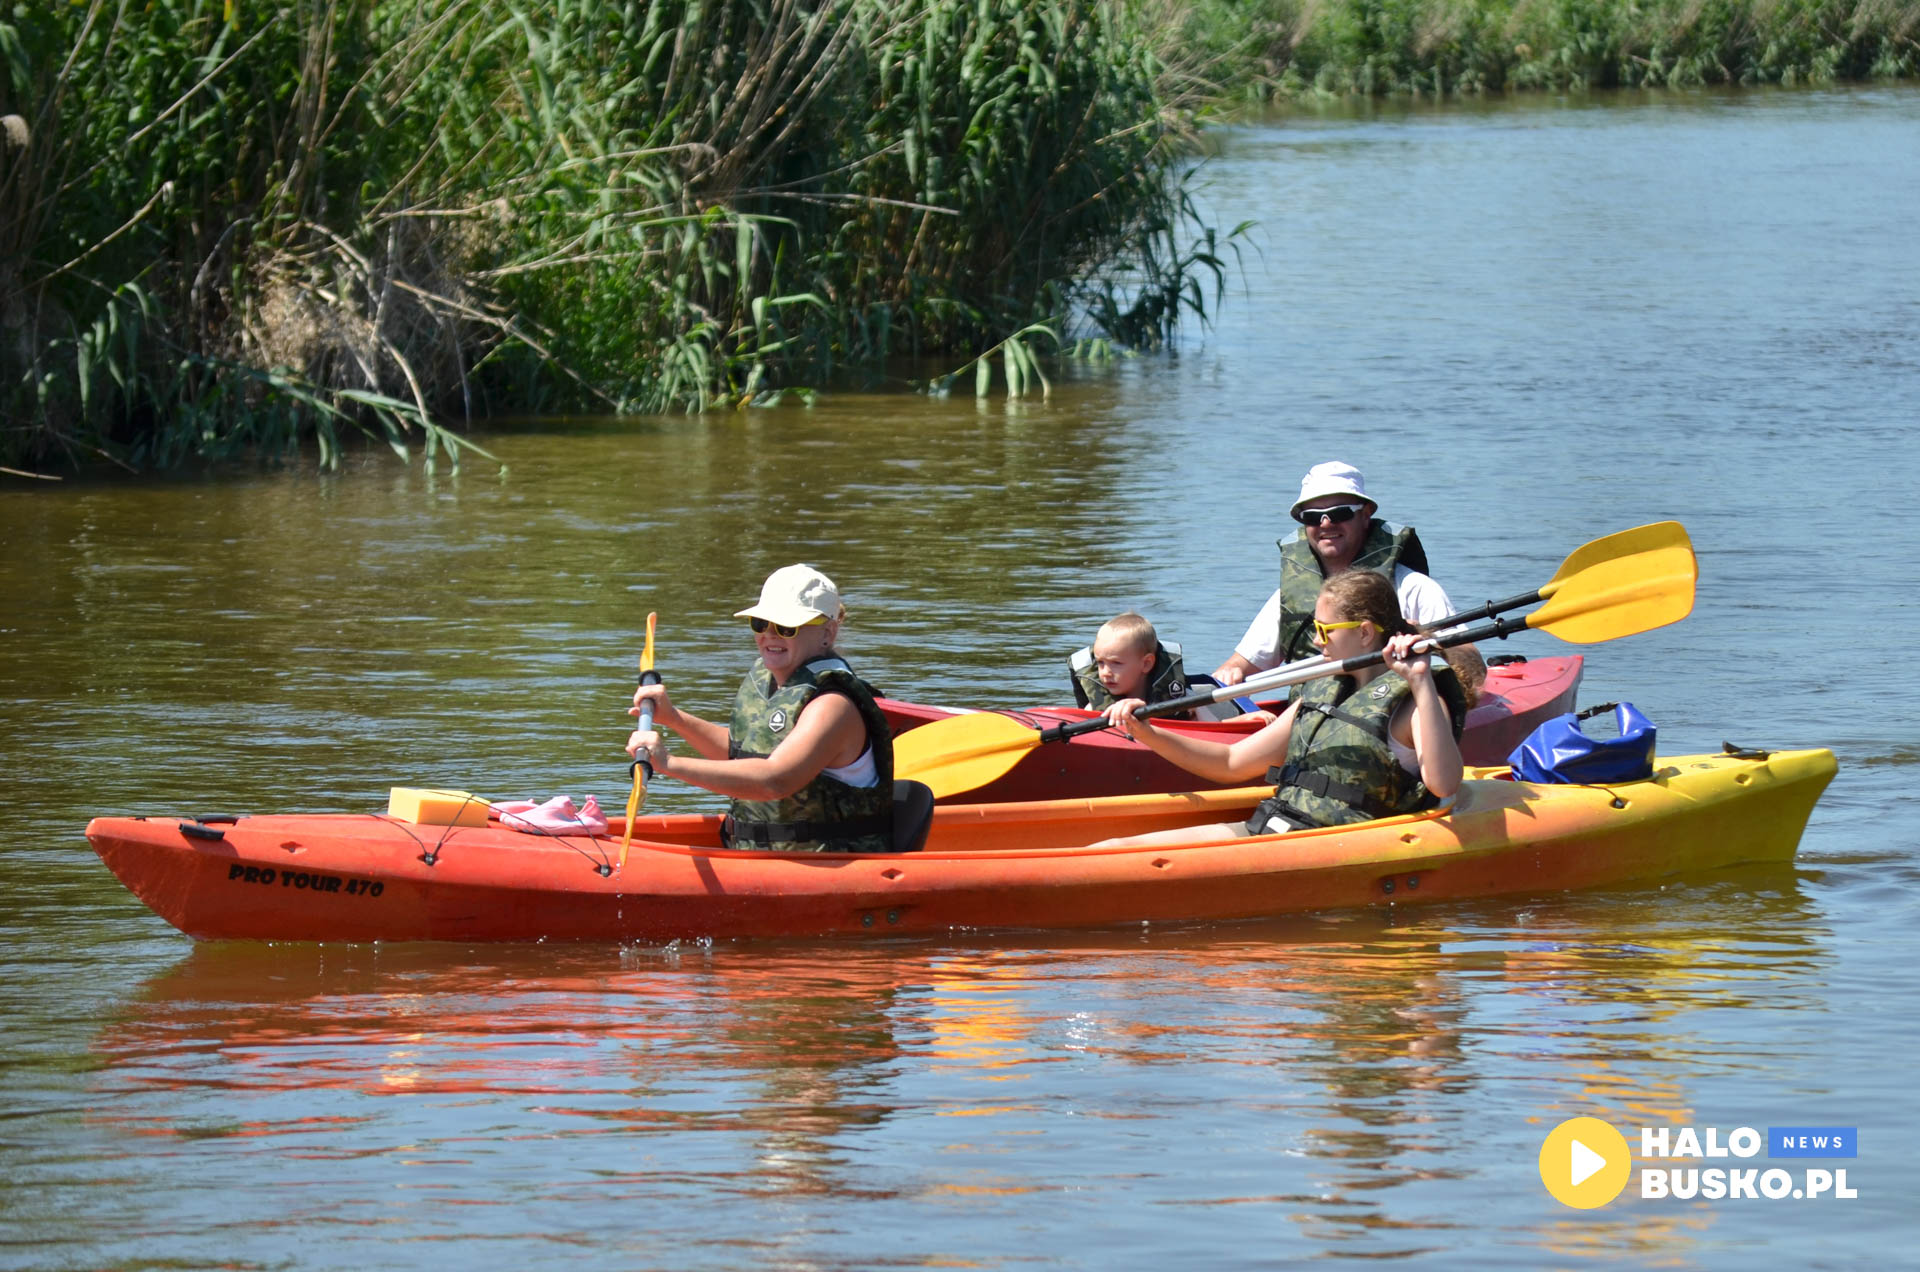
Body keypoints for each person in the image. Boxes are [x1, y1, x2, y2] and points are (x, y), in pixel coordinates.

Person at [1094, 570, 1466, 848]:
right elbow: (1230, 762)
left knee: (1111, 855)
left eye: (1325, 630)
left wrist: (1420, 681)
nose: (1317, 642)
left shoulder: (1415, 704)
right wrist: (1147, 732)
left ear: (1365, 632)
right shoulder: (1320, 692)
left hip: (1339, 846)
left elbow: (1444, 783)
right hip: (1278, 827)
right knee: (1110, 849)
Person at [625, 564, 895, 853]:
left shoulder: (833, 705)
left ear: (828, 633)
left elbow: (775, 780)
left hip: (827, 865)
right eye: (760, 623)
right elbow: (738, 754)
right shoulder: (773, 683)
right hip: (760, 856)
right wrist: (674, 718)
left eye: (786, 627)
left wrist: (668, 764)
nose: (769, 635)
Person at [1212, 460, 1483, 700]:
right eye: (1313, 517)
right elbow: (1240, 665)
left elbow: (1473, 668)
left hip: (1394, 718)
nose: (1326, 524)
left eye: (1340, 513)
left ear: (1365, 515)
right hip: (1313, 721)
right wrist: (1229, 674)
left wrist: (1422, 640)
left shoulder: (1414, 589)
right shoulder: (1288, 598)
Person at [1068, 612, 1192, 712]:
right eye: (1100, 663)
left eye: (1116, 663)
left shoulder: (1189, 703)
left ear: (1146, 664)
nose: (1105, 673)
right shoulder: (1092, 710)